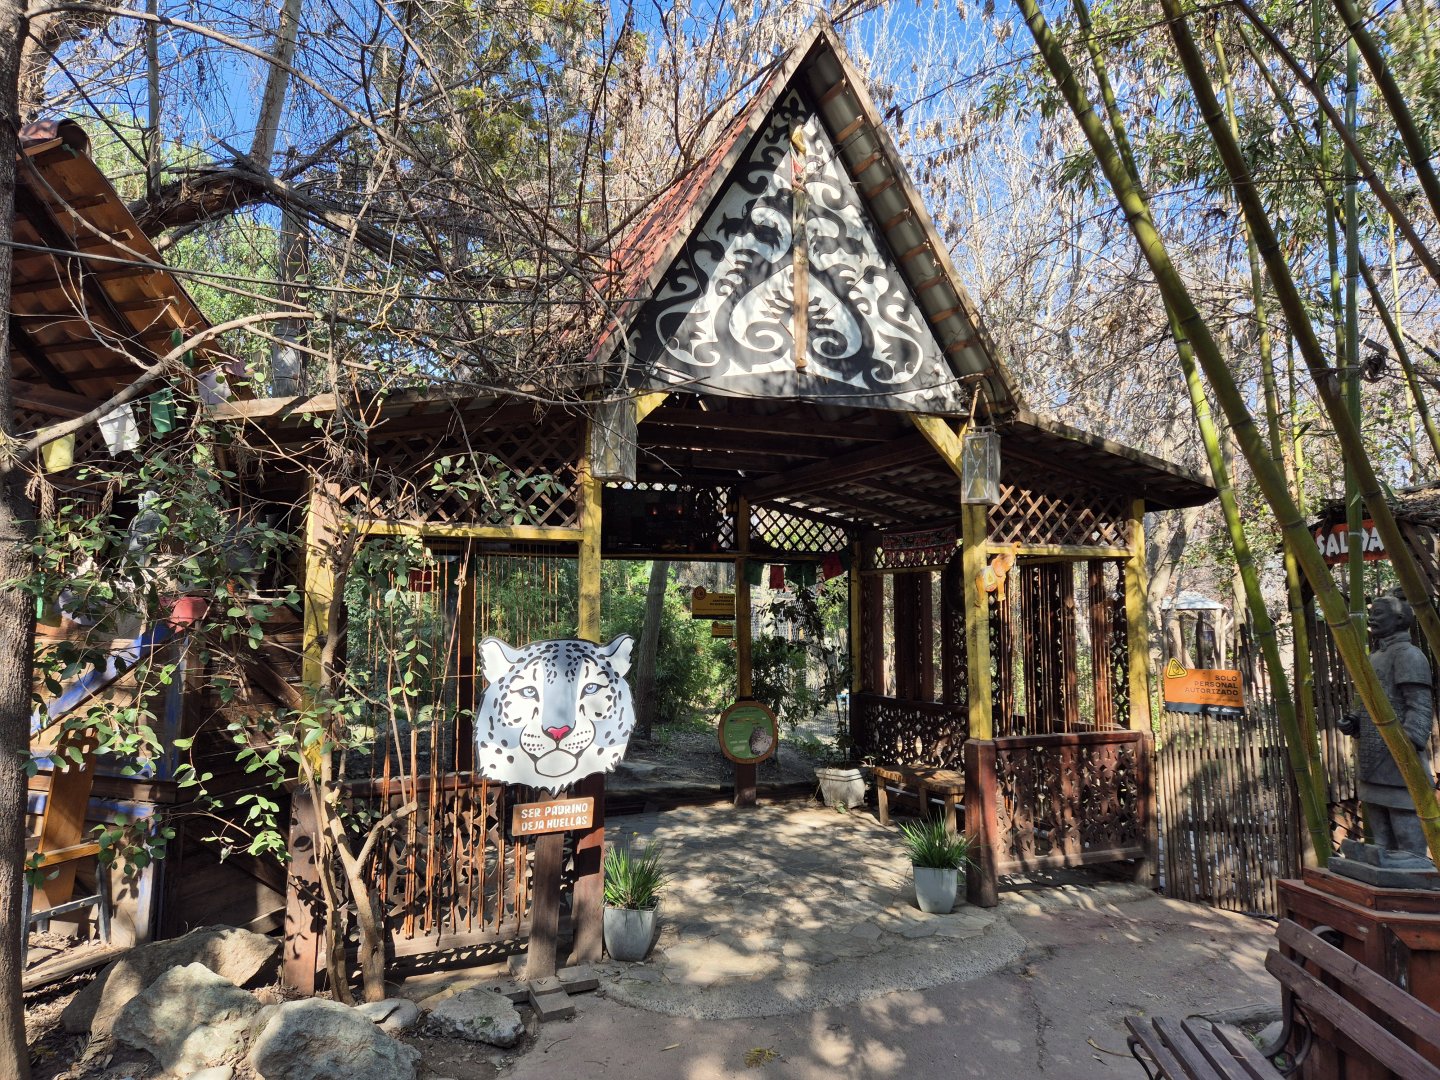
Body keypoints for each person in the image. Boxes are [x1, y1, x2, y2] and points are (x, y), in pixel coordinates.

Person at [1338, 594, 1436, 856]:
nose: (1372, 617)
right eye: (1371, 612)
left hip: (1399, 759)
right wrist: (1355, 721)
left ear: (1400, 618)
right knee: (1380, 840)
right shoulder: (1374, 657)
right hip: (1373, 758)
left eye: (1379, 613)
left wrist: (1405, 748)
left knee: (1409, 844)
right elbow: (1370, 705)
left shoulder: (1410, 655)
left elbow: (1420, 706)